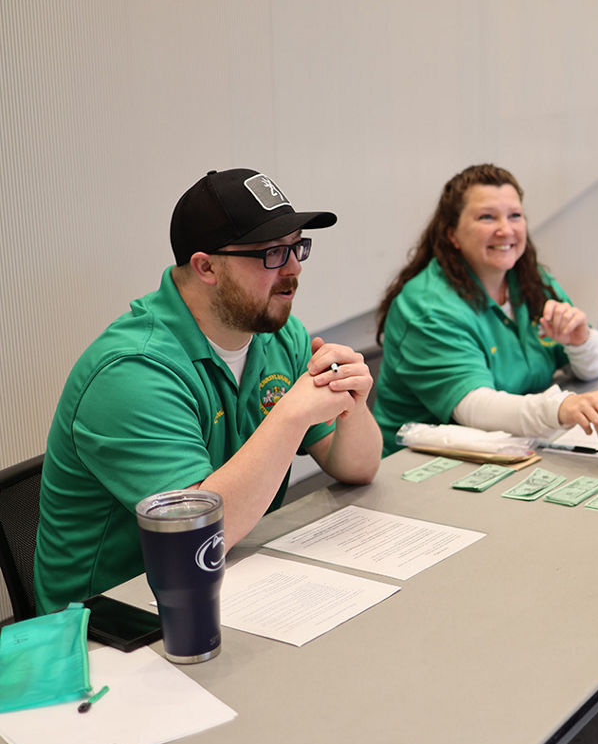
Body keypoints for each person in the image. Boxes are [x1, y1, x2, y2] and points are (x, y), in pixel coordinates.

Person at [34, 169, 382, 614]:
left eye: (298, 247)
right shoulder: (132, 372)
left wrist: (352, 404)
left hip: (233, 579)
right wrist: (292, 414)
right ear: (206, 267)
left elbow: (358, 467)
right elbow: (198, 535)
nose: (294, 268)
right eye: (272, 252)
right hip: (115, 625)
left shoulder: (278, 336)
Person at [373, 164, 598, 454]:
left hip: (514, 446)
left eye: (515, 216)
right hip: (418, 466)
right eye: (487, 217)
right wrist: (560, 407)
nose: (506, 230)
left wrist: (581, 342)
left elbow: (593, 369)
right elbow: (475, 408)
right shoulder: (427, 307)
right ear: (452, 234)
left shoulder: (527, 279)